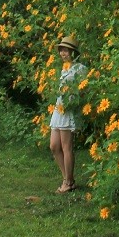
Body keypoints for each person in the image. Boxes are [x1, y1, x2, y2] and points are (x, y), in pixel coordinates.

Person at [49, 36, 87, 194]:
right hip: (59, 108)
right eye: (61, 50)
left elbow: (83, 90)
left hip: (69, 110)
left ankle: (69, 182)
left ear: (73, 52)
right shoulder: (64, 68)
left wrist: (72, 100)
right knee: (54, 146)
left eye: (66, 50)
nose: (63, 53)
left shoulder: (80, 68)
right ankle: (67, 178)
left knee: (66, 147)